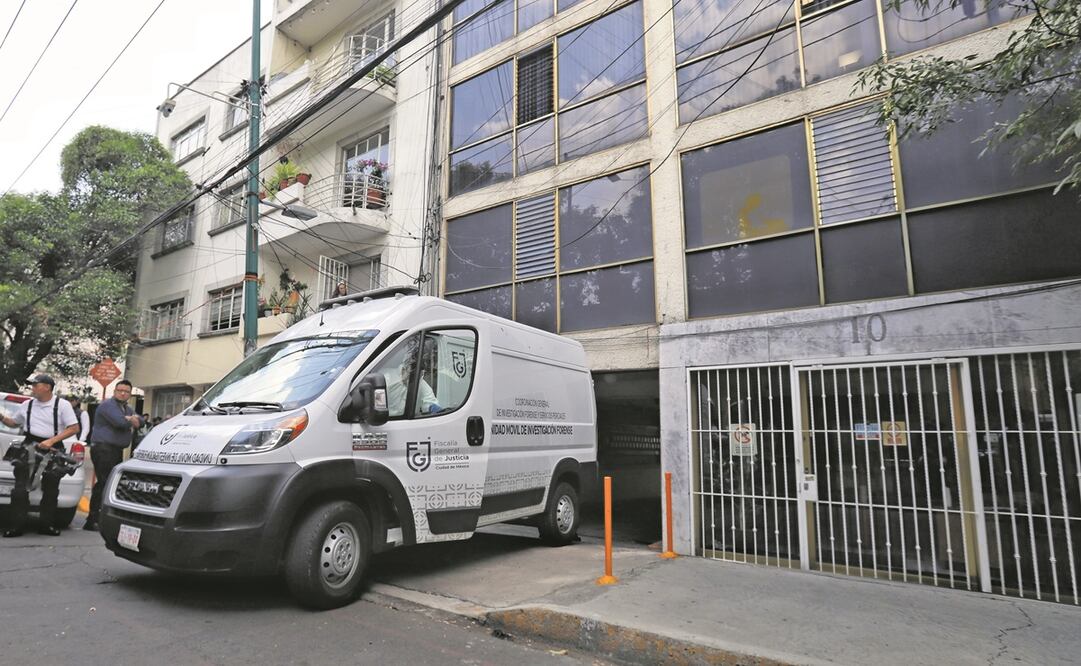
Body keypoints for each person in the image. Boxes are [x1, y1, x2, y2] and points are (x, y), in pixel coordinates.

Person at [0, 374, 80, 537]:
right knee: (20, 489)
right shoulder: (27, 405)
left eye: (36, 385)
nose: (33, 388)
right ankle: (17, 526)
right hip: (29, 446)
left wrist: (51, 441)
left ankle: (46, 525)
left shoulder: (62, 405)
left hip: (53, 448)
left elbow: (74, 428)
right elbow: (13, 423)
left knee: (51, 489)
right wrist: (1, 417)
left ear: (47, 387)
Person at [84, 380, 143, 531]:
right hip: (103, 449)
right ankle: (93, 519)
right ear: (114, 391)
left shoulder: (126, 408)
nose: (123, 393)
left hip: (115, 450)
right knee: (104, 482)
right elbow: (120, 423)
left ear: (130, 394)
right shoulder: (107, 405)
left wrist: (132, 418)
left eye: (126, 391)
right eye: (120, 390)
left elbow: (141, 421)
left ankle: (101, 517)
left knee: (109, 483)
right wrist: (130, 420)